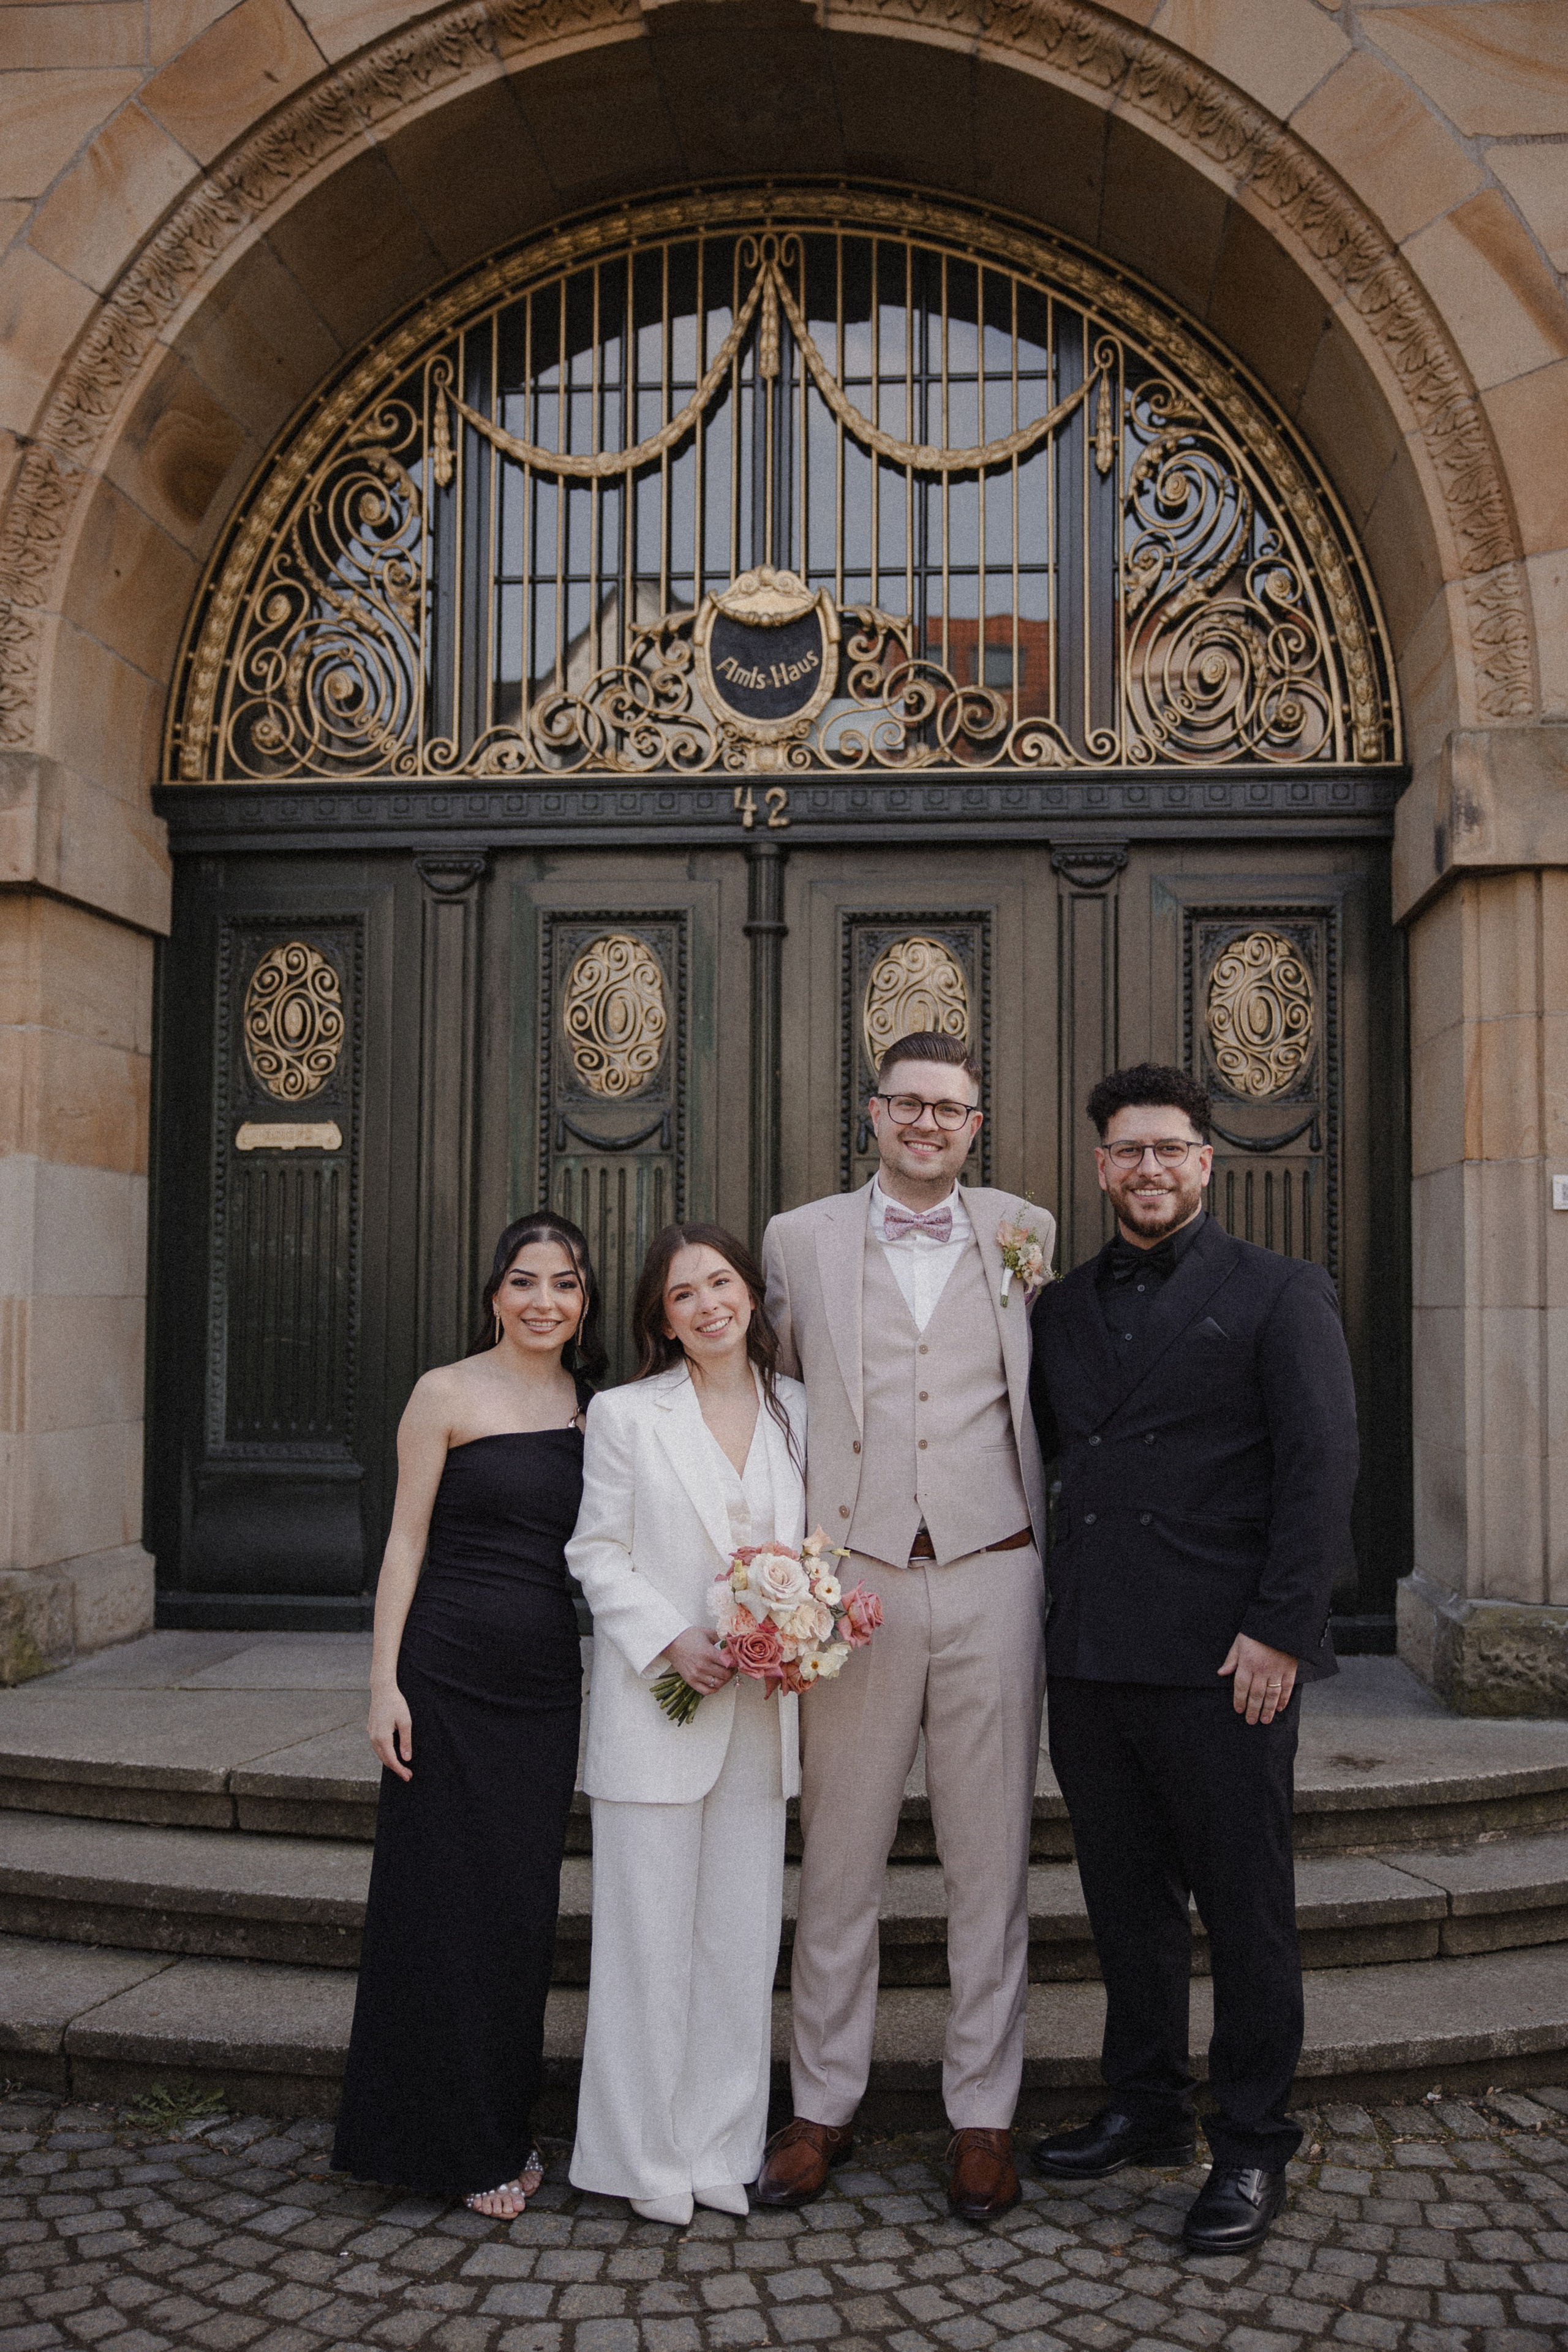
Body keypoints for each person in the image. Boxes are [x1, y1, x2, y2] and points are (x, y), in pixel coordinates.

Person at [1028, 1063, 1359, 2253]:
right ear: (1100, 1163)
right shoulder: (1057, 1308)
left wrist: (1281, 1628)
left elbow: (1319, 1472)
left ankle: (1252, 2144)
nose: (1149, 1168)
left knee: (1245, 1912)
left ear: (1205, 1162)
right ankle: (1146, 2103)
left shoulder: (1279, 1290)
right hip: (1092, 1655)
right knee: (1125, 1908)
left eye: (1169, 1149)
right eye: (1127, 1150)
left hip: (1225, 1660)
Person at [758, 1032, 1054, 2221]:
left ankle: (981, 2115)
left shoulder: (1023, 1230)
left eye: (949, 1108)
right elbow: (778, 1392)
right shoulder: (798, 1240)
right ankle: (819, 2103)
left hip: (992, 1570)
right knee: (838, 1861)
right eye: (907, 1105)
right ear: (871, 1113)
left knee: (990, 1862)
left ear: (973, 1123)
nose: (926, 1123)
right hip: (856, 1577)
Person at [332, 1212, 603, 2217]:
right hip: (443, 1674)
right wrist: (382, 1684)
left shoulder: (597, 1406)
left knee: (517, 1915)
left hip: (540, 1685)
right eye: (525, 1282)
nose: (544, 1302)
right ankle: (436, 2142)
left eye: (565, 1284)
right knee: (437, 1905)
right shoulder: (443, 1392)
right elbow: (403, 1545)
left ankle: (502, 2124)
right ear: (495, 1292)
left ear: (584, 1300)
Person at [567, 1224, 807, 2226]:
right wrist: (672, 1643)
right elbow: (597, 1553)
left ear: (751, 1294)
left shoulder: (799, 1408)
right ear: (660, 1321)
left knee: (738, 1948)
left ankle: (719, 2145)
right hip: (656, 1714)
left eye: (721, 1284)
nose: (708, 1305)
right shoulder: (625, 1415)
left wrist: (803, 1624)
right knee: (645, 1948)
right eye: (682, 1296)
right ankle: (640, 2157)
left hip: (760, 1720)